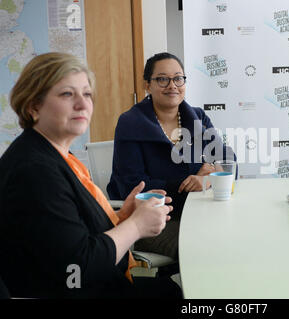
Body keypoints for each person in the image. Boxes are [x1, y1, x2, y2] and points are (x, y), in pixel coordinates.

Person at [0, 52, 182, 298]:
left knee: (170, 290)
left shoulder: (57, 156)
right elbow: (77, 268)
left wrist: (121, 216)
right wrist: (136, 226)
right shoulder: (34, 171)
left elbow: (67, 232)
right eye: (67, 94)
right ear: (33, 106)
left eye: (86, 94)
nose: (83, 104)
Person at [107, 52, 235, 259]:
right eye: (162, 79)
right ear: (147, 85)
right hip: (153, 220)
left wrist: (208, 178)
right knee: (207, 249)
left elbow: (229, 164)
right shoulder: (131, 122)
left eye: (178, 78)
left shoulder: (198, 117)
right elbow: (132, 185)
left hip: (201, 214)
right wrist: (188, 183)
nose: (172, 85)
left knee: (236, 238)